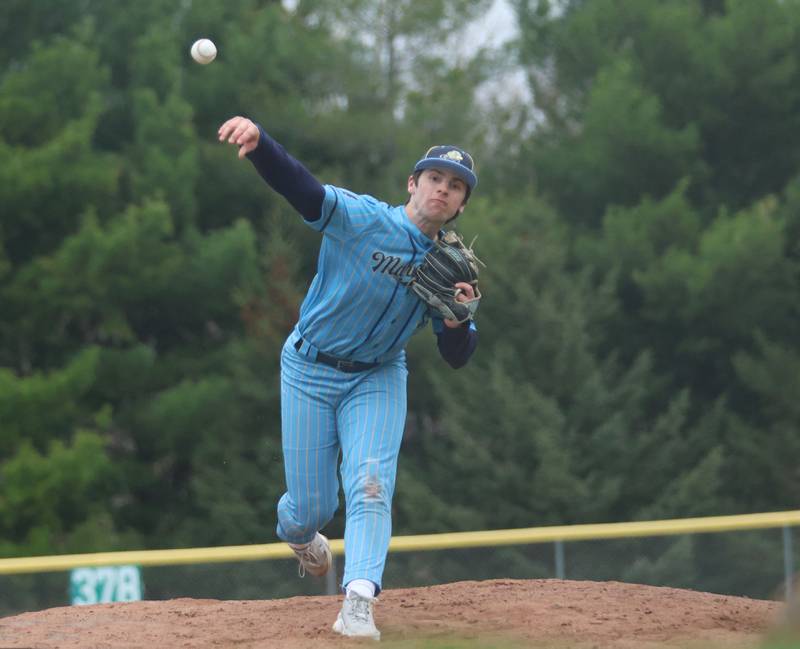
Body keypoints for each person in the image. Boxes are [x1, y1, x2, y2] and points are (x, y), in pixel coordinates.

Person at [218, 115, 480, 640]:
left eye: (455, 187)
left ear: (461, 204)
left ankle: (359, 598)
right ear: (413, 183)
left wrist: (457, 319)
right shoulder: (361, 218)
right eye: (435, 179)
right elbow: (304, 190)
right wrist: (263, 144)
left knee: (371, 484)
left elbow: (456, 355)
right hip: (310, 368)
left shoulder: (452, 266)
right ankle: (295, 531)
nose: (443, 190)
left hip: (378, 376)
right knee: (312, 507)